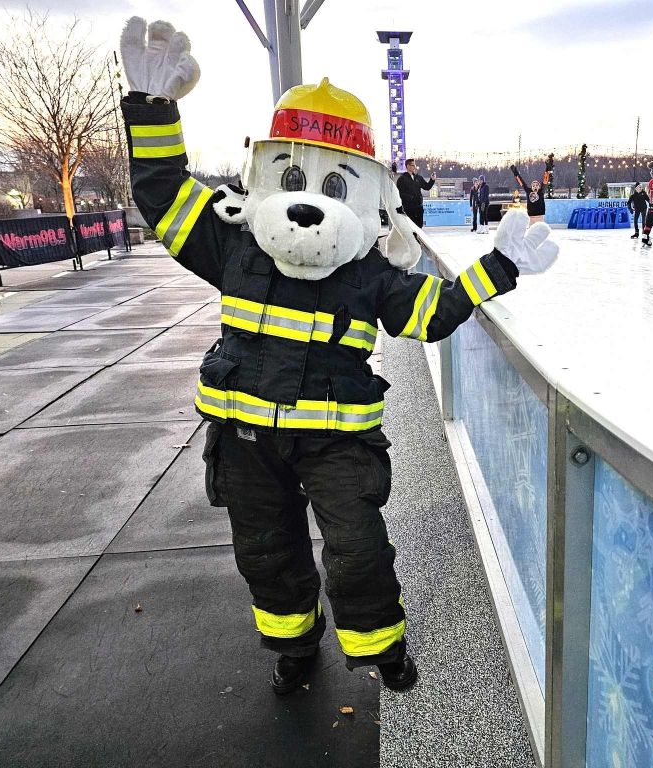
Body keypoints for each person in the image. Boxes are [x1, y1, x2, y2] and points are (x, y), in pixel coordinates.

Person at [119, 17, 560, 696]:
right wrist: (152, 113)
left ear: (365, 194)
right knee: (268, 556)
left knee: (357, 555)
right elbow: (163, 196)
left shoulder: (369, 273)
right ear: (265, 173)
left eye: (332, 186)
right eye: (293, 176)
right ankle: (294, 647)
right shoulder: (233, 246)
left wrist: (498, 266)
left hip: (337, 448)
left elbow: (435, 312)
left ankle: (383, 651)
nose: (304, 207)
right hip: (246, 443)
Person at [510, 155, 553, 224]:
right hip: (531, 215)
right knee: (532, 232)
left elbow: (545, 181)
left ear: (539, 187)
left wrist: (547, 170)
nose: (535, 187)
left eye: (536, 185)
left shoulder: (541, 191)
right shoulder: (528, 191)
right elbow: (522, 182)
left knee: (539, 231)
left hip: (540, 215)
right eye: (533, 185)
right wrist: (515, 173)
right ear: (531, 187)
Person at [396, 158, 436, 227]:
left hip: (419, 206)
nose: (415, 167)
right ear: (408, 166)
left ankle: (417, 237)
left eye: (415, 165)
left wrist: (432, 180)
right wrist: (411, 198)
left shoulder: (418, 177)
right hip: (408, 207)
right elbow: (400, 193)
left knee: (419, 225)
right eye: (412, 165)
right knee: (411, 227)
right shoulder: (402, 179)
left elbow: (427, 187)